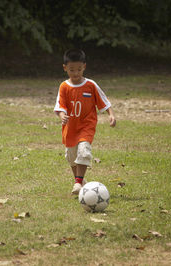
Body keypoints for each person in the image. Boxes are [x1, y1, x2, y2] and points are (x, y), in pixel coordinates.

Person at [54, 48, 116, 195]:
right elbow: (59, 106)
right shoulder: (64, 87)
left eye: (79, 70)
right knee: (71, 157)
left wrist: (111, 115)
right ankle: (81, 180)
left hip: (86, 126)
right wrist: (62, 115)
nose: (76, 73)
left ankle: (77, 183)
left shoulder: (91, 85)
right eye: (72, 70)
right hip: (70, 127)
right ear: (65, 68)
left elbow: (104, 101)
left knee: (84, 151)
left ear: (84, 67)